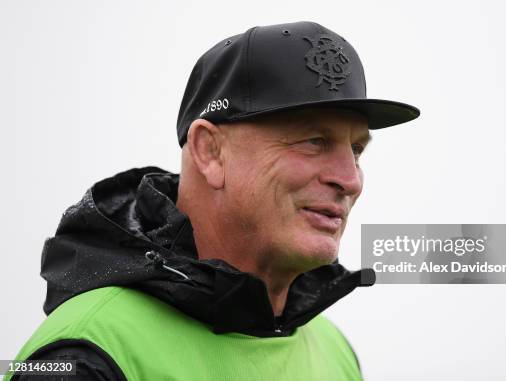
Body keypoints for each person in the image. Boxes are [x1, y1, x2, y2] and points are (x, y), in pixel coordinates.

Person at [6, 21, 419, 380]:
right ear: (210, 152)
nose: (349, 180)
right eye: (314, 141)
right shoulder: (84, 354)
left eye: (357, 151)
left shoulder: (334, 350)